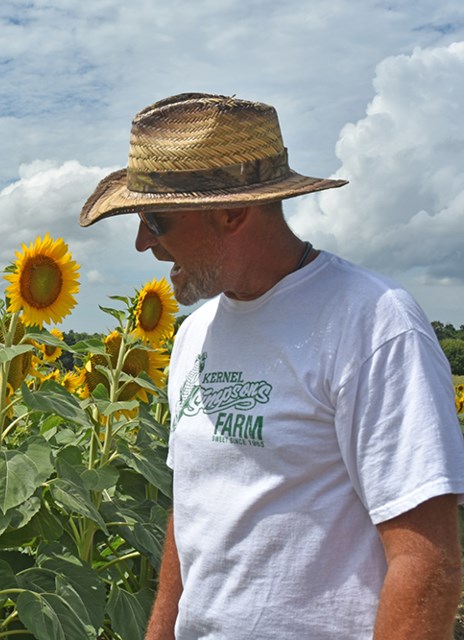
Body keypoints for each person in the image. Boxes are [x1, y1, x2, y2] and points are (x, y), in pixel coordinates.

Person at [79, 93, 464, 639]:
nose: (144, 243)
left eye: (156, 220)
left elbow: (426, 560)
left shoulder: (372, 322)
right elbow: (193, 511)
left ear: (232, 212)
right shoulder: (193, 336)